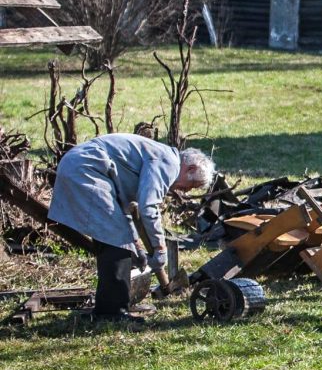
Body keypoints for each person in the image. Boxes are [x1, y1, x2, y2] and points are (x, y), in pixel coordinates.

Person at [48, 134, 215, 323]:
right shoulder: (168, 162)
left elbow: (127, 209)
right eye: (191, 185)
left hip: (80, 165)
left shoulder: (161, 156)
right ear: (190, 168)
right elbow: (148, 208)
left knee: (115, 239)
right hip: (86, 168)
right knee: (117, 241)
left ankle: (107, 308)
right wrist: (160, 249)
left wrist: (137, 245)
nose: (185, 191)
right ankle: (112, 313)